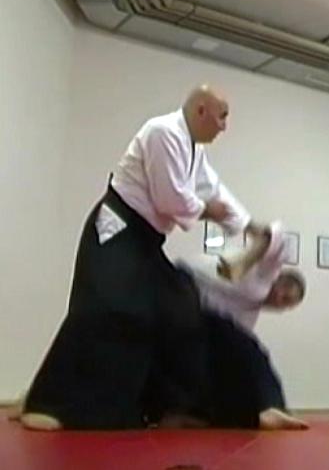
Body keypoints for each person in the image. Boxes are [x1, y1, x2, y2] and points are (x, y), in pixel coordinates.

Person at [21, 85, 267, 431]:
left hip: (145, 242)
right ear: (201, 110)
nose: (224, 126)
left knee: (180, 308)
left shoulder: (193, 150)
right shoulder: (162, 133)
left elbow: (214, 190)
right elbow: (171, 200)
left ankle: (172, 407)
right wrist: (208, 211)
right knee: (107, 306)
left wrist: (249, 226)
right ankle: (50, 404)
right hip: (116, 229)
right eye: (222, 116)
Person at [167, 222, 309, 430]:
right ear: (279, 280)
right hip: (179, 282)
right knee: (253, 350)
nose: (280, 303)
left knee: (224, 360)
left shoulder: (249, 316)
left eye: (286, 305)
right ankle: (271, 406)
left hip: (195, 315)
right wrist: (245, 259)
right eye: (285, 296)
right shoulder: (263, 273)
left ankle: (199, 414)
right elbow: (277, 234)